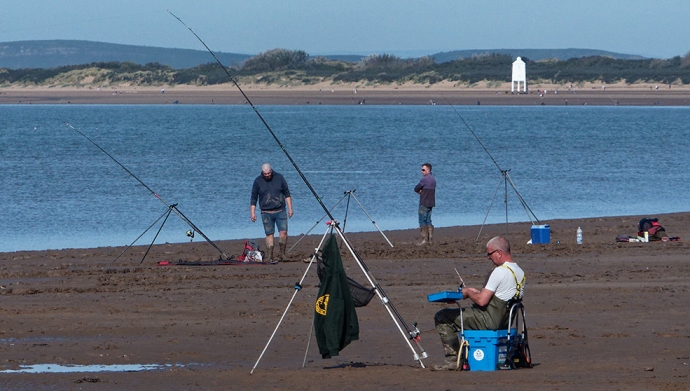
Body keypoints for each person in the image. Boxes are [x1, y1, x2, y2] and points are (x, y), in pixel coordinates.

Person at [433, 236, 525, 370]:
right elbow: (500, 295)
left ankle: (452, 360)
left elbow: (482, 301)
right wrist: (476, 292)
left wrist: (468, 293)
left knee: (442, 316)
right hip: (505, 321)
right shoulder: (520, 272)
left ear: (499, 253)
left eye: (490, 254)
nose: (488, 257)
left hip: (489, 320)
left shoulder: (499, 271)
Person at [250, 163, 293, 262]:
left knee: (283, 232)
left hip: (280, 210)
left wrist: (290, 208)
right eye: (265, 174)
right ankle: (270, 256)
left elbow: (287, 193)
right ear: (262, 172)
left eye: (268, 173)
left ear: (271, 170)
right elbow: (253, 198)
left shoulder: (279, 177)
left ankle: (282, 254)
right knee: (269, 234)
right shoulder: (257, 181)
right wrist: (252, 212)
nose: (267, 175)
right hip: (266, 212)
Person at [414, 163, 436, 245]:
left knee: (422, 220)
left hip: (424, 202)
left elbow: (416, 188)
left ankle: (424, 239)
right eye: (421, 170)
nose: (422, 171)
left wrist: (420, 191)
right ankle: (430, 239)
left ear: (428, 170)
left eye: (423, 170)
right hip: (431, 203)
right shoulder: (433, 179)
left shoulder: (424, 179)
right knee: (428, 220)